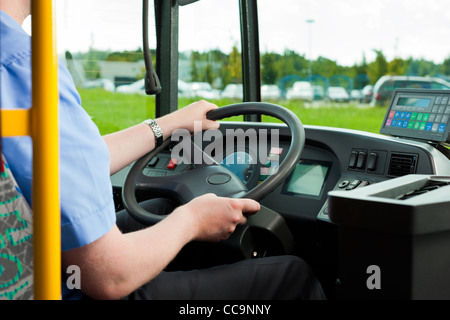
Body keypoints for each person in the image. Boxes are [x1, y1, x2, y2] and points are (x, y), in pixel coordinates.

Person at [0, 0, 325, 300]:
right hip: (65, 288)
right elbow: (110, 277)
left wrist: (168, 124)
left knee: (157, 209)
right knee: (292, 275)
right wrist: (192, 221)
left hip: (30, 262)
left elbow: (67, 163)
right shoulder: (22, 65)